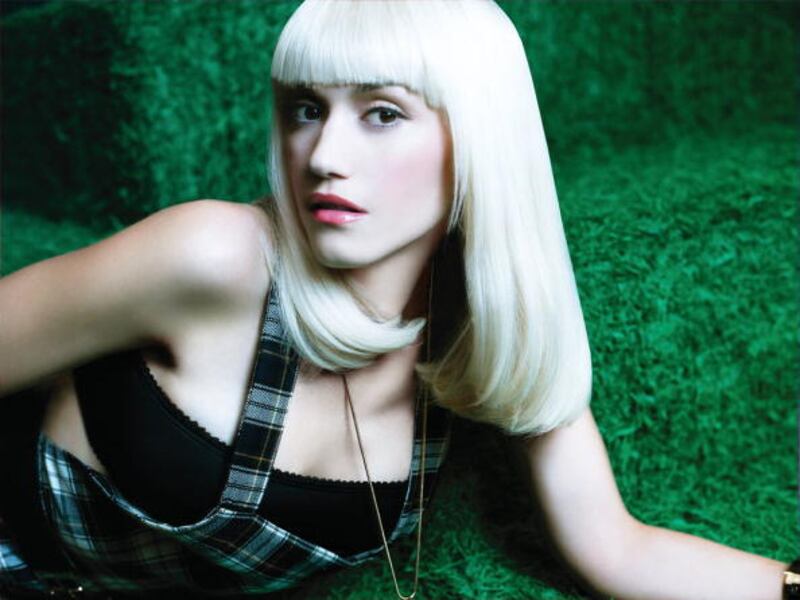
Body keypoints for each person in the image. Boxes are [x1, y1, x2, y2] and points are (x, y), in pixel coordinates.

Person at [0, 0, 794, 598]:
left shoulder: (481, 329)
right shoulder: (215, 257)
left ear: (478, 140)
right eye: (307, 109)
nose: (324, 155)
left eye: (382, 113)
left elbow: (617, 549)